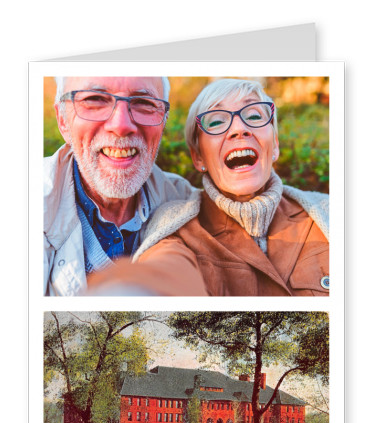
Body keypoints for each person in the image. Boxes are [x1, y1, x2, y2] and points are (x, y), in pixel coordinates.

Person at [87, 78, 329, 296]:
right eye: (216, 121)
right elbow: (165, 270)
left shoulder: (328, 213)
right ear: (198, 157)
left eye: (254, 116)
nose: (239, 129)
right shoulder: (176, 228)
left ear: (274, 144)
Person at [44, 76, 198, 296]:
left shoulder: (187, 204)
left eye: (144, 103)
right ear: (62, 120)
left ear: (163, 121)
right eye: (95, 99)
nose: (121, 125)